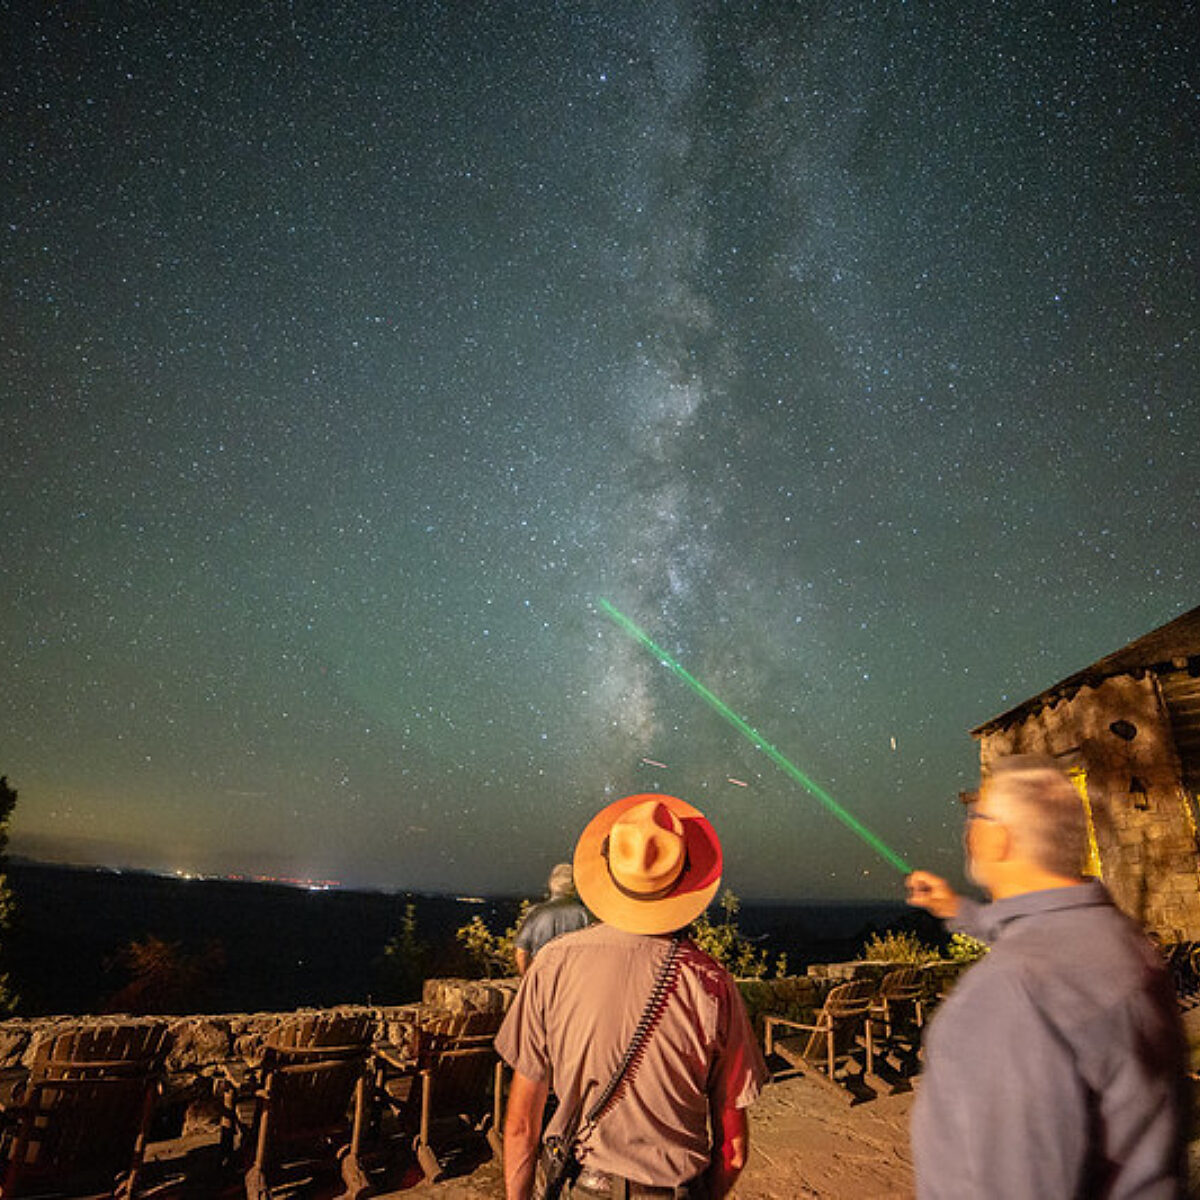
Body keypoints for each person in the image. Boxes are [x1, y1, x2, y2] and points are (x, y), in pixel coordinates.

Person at [906, 755, 1188, 1199]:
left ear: (999, 837)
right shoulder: (1117, 938)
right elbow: (1043, 933)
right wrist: (956, 910)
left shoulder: (1006, 1000)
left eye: (977, 814)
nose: (968, 826)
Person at [497, 793, 768, 1200]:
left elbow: (521, 1126)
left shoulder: (551, 965)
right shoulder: (714, 983)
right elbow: (734, 1150)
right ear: (684, 880)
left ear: (610, 874)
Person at [514, 862, 591, 976]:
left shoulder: (535, 913)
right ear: (574, 886)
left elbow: (521, 953)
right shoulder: (585, 914)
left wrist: (527, 979)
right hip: (574, 979)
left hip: (543, 977)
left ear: (551, 884)